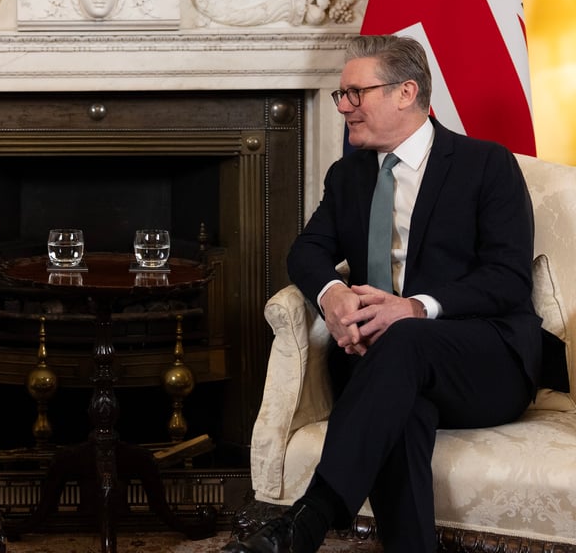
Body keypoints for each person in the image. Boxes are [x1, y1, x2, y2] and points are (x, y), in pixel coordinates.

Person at [225, 35, 541, 553]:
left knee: (409, 338)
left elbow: (508, 279)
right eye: (340, 95)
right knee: (403, 412)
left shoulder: (486, 164)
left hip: (485, 359)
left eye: (356, 92)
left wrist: (415, 309)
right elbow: (306, 251)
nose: (345, 106)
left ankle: (312, 516)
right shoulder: (347, 175)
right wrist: (331, 294)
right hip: (383, 370)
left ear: (405, 92)